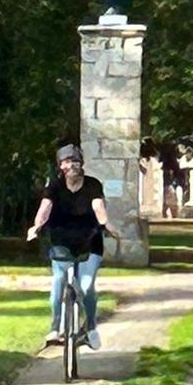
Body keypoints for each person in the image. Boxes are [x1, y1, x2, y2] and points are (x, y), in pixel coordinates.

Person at [27, 144, 117, 351]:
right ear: (61, 167)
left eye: (75, 161)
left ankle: (91, 329)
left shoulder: (93, 184)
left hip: (90, 241)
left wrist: (105, 224)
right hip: (62, 241)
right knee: (59, 280)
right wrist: (37, 226)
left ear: (81, 164)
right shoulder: (55, 187)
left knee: (86, 287)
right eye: (67, 162)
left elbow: (97, 206)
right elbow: (45, 208)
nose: (72, 165)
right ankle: (55, 328)